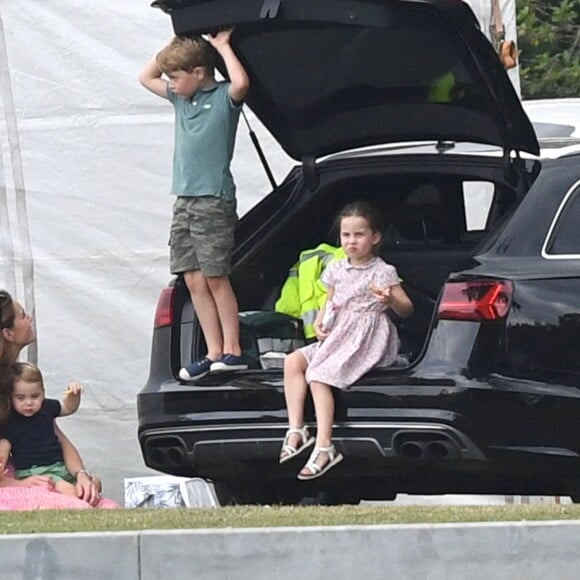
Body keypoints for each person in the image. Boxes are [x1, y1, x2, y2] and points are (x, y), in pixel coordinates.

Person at [139, 30, 250, 381]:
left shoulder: (221, 98)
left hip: (212, 199)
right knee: (193, 277)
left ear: (199, 72)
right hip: (184, 199)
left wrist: (221, 47)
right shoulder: (180, 99)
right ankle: (213, 350)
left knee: (216, 276)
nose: (170, 83)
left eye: (176, 76)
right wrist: (174, 48)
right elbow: (145, 76)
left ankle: (233, 349)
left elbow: (241, 84)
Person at [279, 201, 414, 480]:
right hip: (339, 333)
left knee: (318, 376)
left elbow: (407, 308)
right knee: (293, 362)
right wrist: (319, 320)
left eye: (359, 235)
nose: (352, 241)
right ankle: (297, 429)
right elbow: (331, 299)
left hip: (367, 336)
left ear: (375, 237)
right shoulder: (337, 268)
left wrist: (390, 300)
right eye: (346, 235)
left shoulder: (383, 271)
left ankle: (325, 445)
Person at [0, 289, 102, 505]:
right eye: (22, 315)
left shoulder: (17, 377)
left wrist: (81, 475)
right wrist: (16, 484)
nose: (30, 318)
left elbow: (57, 435)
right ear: (8, 333)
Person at [0, 362, 83, 497]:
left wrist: (74, 396)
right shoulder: (10, 421)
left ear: (43, 393)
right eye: (20, 398)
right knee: (69, 490)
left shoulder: (46, 408)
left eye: (35, 396)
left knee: (94, 482)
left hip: (59, 467)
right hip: (36, 472)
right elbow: (3, 450)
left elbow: (68, 407)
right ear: (11, 397)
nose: (29, 402)